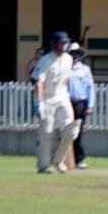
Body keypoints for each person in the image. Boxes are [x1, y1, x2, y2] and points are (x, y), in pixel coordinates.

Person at [32, 31, 77, 174]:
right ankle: (44, 166)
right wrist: (39, 103)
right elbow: (39, 82)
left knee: (70, 130)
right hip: (47, 99)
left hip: (63, 97)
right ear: (54, 44)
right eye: (62, 42)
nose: (65, 45)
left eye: (66, 42)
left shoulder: (69, 59)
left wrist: (71, 97)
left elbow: (67, 79)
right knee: (47, 133)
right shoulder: (45, 60)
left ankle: (58, 161)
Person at [66, 42, 96, 171]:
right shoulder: (65, 69)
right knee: (65, 131)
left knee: (77, 132)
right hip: (66, 103)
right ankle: (65, 160)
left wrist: (90, 105)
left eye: (76, 54)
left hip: (80, 104)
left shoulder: (85, 70)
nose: (74, 57)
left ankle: (79, 159)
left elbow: (91, 88)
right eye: (72, 54)